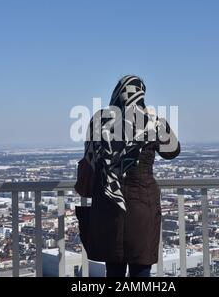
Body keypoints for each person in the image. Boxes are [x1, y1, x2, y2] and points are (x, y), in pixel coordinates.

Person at [77, 75, 180, 277]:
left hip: (108, 204)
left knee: (113, 269)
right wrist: (159, 121)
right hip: (143, 204)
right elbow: (173, 151)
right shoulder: (152, 121)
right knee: (141, 268)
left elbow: (89, 160)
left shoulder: (99, 120)